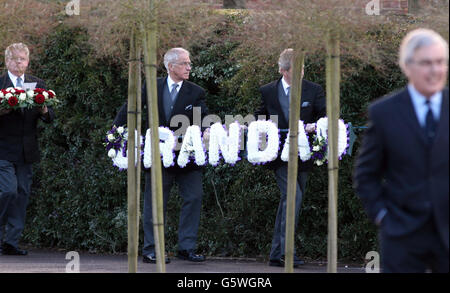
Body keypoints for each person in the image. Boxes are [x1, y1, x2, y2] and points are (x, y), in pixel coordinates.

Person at [353, 28, 449, 273]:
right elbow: (366, 175)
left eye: (440, 62)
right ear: (407, 66)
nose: (435, 70)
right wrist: (383, 216)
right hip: (402, 234)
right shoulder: (384, 113)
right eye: (427, 63)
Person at [113, 47, 209, 264]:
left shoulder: (196, 91)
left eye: (189, 63)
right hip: (157, 156)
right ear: (170, 66)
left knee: (194, 198)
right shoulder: (151, 86)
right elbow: (130, 108)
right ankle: (152, 249)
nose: (189, 67)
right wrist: (115, 133)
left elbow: (203, 116)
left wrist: (209, 128)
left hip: (188, 156)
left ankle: (187, 247)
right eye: (184, 63)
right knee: (155, 202)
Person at [255, 48, 326, 267]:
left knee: (290, 201)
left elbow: (324, 114)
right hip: (278, 156)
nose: (303, 71)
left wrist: (317, 125)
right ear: (284, 71)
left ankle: (276, 254)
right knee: (293, 197)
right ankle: (287, 253)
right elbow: (259, 117)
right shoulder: (267, 91)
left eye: (304, 68)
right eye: (299, 68)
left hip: (302, 155)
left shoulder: (313, 90)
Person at [0, 43, 55, 255]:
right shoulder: (0, 83)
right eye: (14, 59)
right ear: (6, 61)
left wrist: (43, 110)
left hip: (26, 150)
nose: (18, 62)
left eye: (22, 59)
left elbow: (50, 117)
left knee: (22, 194)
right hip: (3, 149)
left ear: (28, 61)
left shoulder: (37, 84)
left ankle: (11, 243)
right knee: (8, 191)